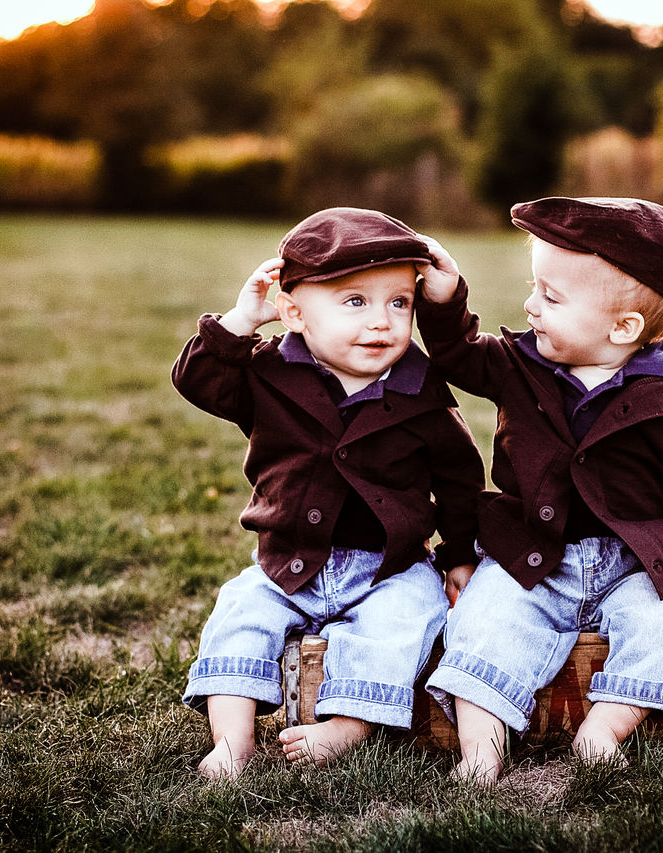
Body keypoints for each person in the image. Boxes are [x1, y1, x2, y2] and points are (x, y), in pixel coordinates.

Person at [414, 196, 663, 782]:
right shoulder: (519, 365)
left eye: (551, 296)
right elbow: (458, 356)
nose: (529, 305)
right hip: (532, 555)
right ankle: (481, 748)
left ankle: (608, 724)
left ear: (624, 327)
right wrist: (445, 302)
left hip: (637, 563)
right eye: (533, 286)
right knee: (485, 620)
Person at [173, 207, 484, 779]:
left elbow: (462, 482)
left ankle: (350, 724)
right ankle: (233, 740)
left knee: (404, 619)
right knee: (240, 614)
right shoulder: (269, 374)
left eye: (400, 303)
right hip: (286, 561)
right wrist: (241, 321)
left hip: (390, 568)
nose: (383, 322)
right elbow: (199, 382)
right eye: (355, 302)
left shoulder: (423, 394)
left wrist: (461, 554)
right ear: (293, 312)